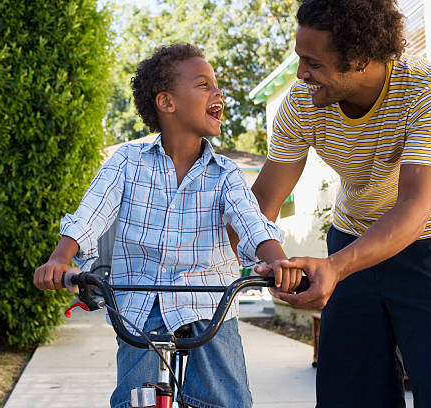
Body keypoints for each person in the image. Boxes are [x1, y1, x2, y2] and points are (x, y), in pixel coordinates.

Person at [33, 43, 302, 408]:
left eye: (217, 86)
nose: (218, 93)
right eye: (204, 84)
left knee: (228, 399)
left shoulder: (226, 174)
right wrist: (60, 258)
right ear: (167, 102)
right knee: (132, 400)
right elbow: (91, 213)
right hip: (140, 302)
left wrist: (279, 262)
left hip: (209, 303)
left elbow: (252, 222)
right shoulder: (127, 161)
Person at [250, 1, 431, 407]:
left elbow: (414, 209)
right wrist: (270, 259)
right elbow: (262, 203)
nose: (301, 73)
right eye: (299, 58)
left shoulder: (430, 93)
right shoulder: (303, 102)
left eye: (313, 62)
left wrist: (335, 267)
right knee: (349, 393)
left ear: (360, 59)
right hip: (351, 238)